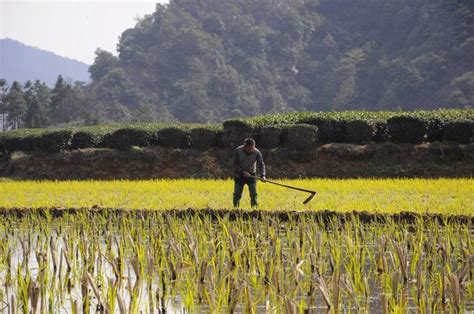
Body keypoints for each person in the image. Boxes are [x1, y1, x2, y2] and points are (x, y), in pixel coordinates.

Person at [233, 138, 266, 208]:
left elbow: (261, 164)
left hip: (251, 175)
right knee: (237, 194)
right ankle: (235, 209)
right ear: (245, 147)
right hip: (239, 175)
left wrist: (263, 175)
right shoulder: (238, 151)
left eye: (253, 148)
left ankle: (254, 209)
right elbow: (235, 164)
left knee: (254, 194)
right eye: (250, 148)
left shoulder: (257, 152)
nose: (251, 150)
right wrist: (242, 171)